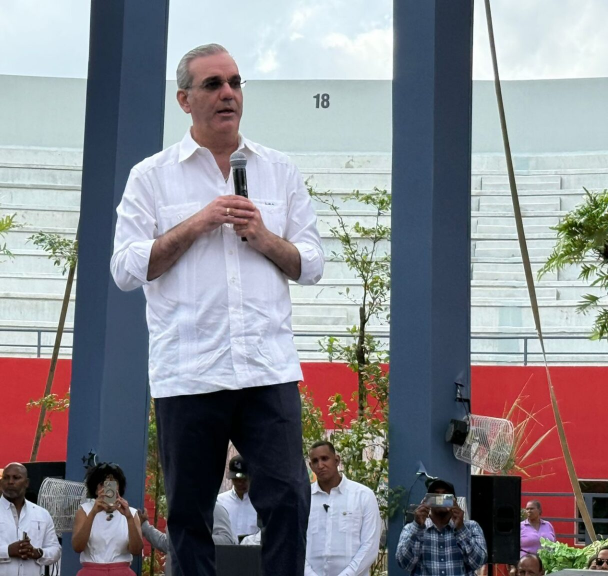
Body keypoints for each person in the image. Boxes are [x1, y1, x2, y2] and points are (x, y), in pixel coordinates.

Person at [110, 43, 324, 576]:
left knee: (290, 499)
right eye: (212, 84)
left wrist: (264, 237)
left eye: (234, 81)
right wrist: (198, 223)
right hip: (190, 370)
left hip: (266, 367)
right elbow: (125, 269)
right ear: (184, 99)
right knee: (188, 514)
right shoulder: (152, 176)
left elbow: (313, 264)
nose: (228, 93)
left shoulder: (279, 169)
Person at [305, 441, 382, 576]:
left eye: (325, 459)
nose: (320, 465)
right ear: (311, 466)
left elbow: (370, 545)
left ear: (336, 460)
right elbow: (296, 543)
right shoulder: (304, 498)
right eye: (315, 461)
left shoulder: (363, 495)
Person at [0, 462, 61, 576]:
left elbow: (55, 550)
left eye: (16, 478)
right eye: (6, 478)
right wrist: (7, 551)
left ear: (26, 483)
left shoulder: (42, 514)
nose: (10, 482)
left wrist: (37, 553)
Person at [396, 477, 487, 576]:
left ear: (454, 500)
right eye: (435, 495)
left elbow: (478, 563)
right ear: (428, 501)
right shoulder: (411, 528)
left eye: (445, 495)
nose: (440, 498)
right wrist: (417, 527)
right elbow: (404, 564)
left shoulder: (471, 527)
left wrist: (461, 529)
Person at [71, 462, 143, 575]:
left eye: (113, 484)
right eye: (103, 484)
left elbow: (136, 550)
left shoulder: (131, 513)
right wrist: (93, 513)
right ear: (95, 490)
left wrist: (129, 518)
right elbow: (77, 547)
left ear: (119, 487)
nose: (108, 489)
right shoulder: (85, 511)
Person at [139, 502, 237, 575]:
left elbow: (226, 541)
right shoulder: (177, 509)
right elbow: (169, 544)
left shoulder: (213, 507)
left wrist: (191, 538)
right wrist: (145, 527)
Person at [216, 455, 259, 539]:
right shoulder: (219, 502)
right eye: (236, 480)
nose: (240, 483)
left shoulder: (260, 503)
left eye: (244, 480)